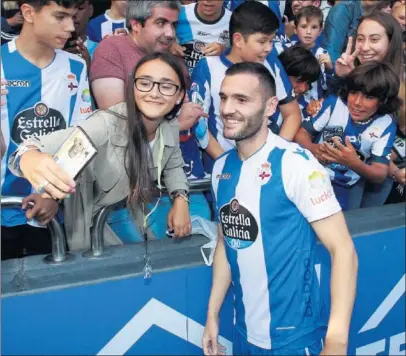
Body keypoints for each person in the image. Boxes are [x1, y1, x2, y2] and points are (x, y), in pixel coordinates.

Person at [202, 62, 358, 355]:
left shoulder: (295, 163)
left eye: (242, 99)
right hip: (243, 333)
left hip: (293, 339)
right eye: (223, 97)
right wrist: (212, 314)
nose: (227, 108)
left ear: (271, 106)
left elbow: (344, 250)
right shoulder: (221, 167)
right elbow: (226, 242)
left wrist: (337, 339)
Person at [9, 52, 192, 250]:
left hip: (133, 213)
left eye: (166, 86)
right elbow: (33, 148)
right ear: (132, 88)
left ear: (179, 95)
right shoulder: (104, 125)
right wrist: (30, 160)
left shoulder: (170, 126)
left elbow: (174, 165)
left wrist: (181, 199)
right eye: (145, 83)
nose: (154, 93)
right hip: (95, 226)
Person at [1, 0, 92, 260]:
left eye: (72, 18)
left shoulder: (76, 66)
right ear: (29, 13)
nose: (70, 27)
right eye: (60, 17)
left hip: (53, 211)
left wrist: (53, 194)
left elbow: (81, 137)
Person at [191, 1, 302, 173]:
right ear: (238, 40)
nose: (268, 48)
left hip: (267, 170)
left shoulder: (271, 62)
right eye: (262, 41)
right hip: (222, 170)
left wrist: (274, 155)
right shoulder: (208, 67)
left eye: (271, 41)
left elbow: (293, 113)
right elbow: (198, 124)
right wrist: (226, 162)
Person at [295, 61, 400, 210]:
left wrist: (353, 163)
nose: (357, 102)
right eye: (353, 92)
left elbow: (380, 173)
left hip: (347, 185)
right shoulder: (334, 104)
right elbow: (301, 133)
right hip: (313, 173)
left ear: (383, 100)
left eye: (368, 97)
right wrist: (313, 148)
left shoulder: (386, 125)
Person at [90, 0, 205, 133]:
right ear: (136, 24)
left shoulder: (172, 54)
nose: (170, 33)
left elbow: (187, 105)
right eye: (161, 23)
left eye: (173, 25)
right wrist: (175, 126)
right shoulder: (111, 49)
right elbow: (117, 122)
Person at [172, 0, 232, 75]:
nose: (208, 1)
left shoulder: (233, 20)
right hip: (178, 77)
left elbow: (240, 55)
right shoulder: (178, 13)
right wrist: (169, 45)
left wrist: (224, 51)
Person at [278, 45, 322, 118]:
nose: (303, 89)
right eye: (299, 80)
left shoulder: (308, 108)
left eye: (309, 83)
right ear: (282, 73)